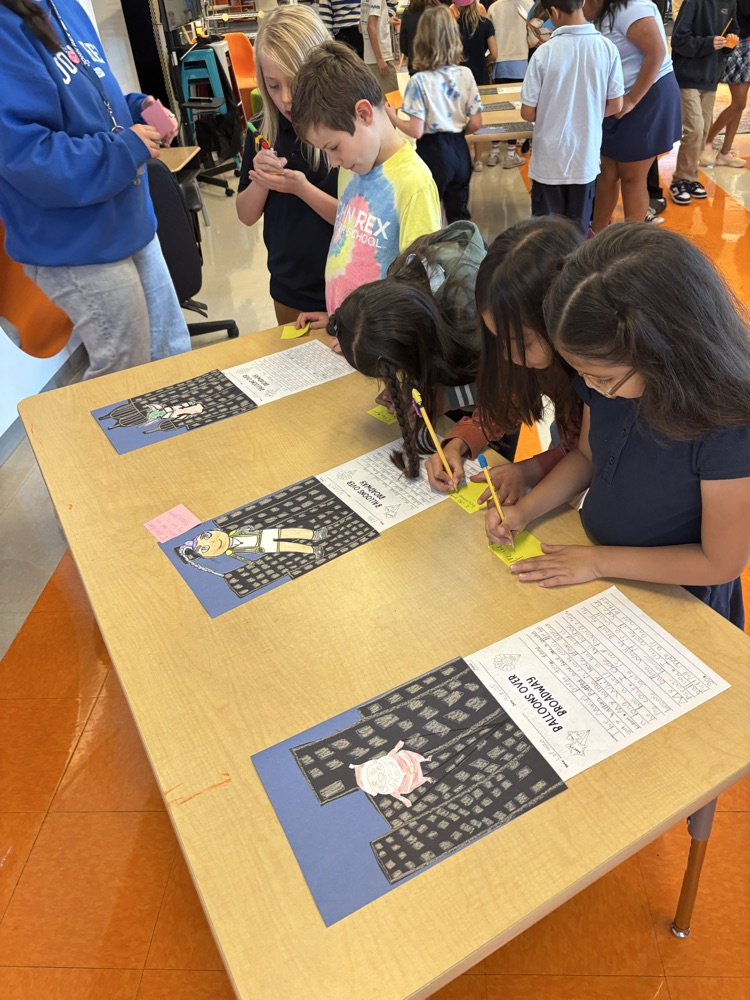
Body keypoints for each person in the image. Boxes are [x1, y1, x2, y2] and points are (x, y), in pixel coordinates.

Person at [486, 224, 750, 631]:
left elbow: (720, 562)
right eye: (582, 374)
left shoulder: (728, 430)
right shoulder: (609, 384)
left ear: (666, 350)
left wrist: (596, 562)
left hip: (679, 599)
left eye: (603, 378)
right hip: (607, 573)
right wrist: (525, 510)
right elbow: (587, 456)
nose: (592, 389)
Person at [0, 0, 191, 380]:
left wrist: (136, 109)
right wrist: (126, 148)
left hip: (127, 219)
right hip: (75, 241)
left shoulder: (65, 7)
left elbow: (94, 103)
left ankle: (171, 438)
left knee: (171, 348)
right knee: (124, 369)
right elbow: (28, 156)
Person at [290, 40, 442, 334]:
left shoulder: (414, 184)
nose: (332, 162)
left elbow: (418, 293)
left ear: (363, 114)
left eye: (333, 147)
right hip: (347, 335)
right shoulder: (353, 166)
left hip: (379, 346)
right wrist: (337, 319)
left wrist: (362, 337)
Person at [430, 216, 585, 497]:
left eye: (520, 342)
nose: (509, 355)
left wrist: (529, 470)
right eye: (497, 339)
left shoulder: (595, 376)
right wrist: (458, 443)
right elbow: (505, 403)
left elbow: (585, 456)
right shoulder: (526, 352)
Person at [330, 221, 486, 475]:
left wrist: (447, 398)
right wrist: (406, 388)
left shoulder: (470, 307)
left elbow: (512, 385)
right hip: (452, 405)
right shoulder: (403, 287)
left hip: (488, 410)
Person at [235, 7, 338, 325]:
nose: (287, 98)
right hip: (288, 290)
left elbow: (355, 220)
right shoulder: (263, 131)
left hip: (344, 288)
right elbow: (246, 215)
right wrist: (261, 180)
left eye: (295, 82)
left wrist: (301, 188)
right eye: (274, 86)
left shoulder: (342, 134)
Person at [520, 0, 624, 233]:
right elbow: (616, 104)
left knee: (545, 236)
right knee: (577, 232)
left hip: (549, 162)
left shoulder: (544, 52)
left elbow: (527, 112)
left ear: (554, 12)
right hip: (584, 160)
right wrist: (588, 111)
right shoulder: (607, 48)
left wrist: (552, 111)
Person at [584, 0, 682, 227]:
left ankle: (630, 246)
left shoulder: (631, 8)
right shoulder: (601, 12)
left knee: (632, 177)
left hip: (646, 94)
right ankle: (597, 236)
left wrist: (632, 99)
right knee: (606, 173)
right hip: (618, 97)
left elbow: (656, 52)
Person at [387, 6, 483, 222]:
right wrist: (459, 130)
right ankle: (465, 250)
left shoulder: (419, 81)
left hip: (433, 152)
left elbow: (416, 130)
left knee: (429, 214)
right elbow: (476, 123)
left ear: (421, 41)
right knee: (459, 212)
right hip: (460, 149)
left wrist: (393, 118)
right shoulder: (465, 74)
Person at [669, 0, 737, 204]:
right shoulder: (694, 2)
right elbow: (679, 40)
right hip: (688, 76)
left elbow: (733, 32)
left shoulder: (729, 3)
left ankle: (689, 178)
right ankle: (681, 179)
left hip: (711, 77)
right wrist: (708, 43)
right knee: (695, 129)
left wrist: (730, 43)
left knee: (704, 130)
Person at [453, 0, 503, 168]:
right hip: (480, 76)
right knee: (478, 119)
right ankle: (478, 160)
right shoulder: (486, 24)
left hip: (459, 77)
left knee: (463, 120)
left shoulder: (453, 25)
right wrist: (484, 61)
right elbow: (494, 53)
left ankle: (467, 159)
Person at [703, 0, 750, 168]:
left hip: (744, 42)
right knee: (739, 103)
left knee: (740, 104)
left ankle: (725, 151)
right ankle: (707, 142)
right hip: (738, 43)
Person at [361, 0, 400, 94]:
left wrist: (385, 22)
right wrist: (379, 58)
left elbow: (361, 27)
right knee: (392, 101)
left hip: (370, 57)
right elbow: (370, 27)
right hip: (381, 57)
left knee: (378, 101)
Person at [400, 0, 443, 72]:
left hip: (415, 64)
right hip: (437, 64)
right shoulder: (440, 12)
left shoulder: (408, 14)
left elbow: (403, 46)